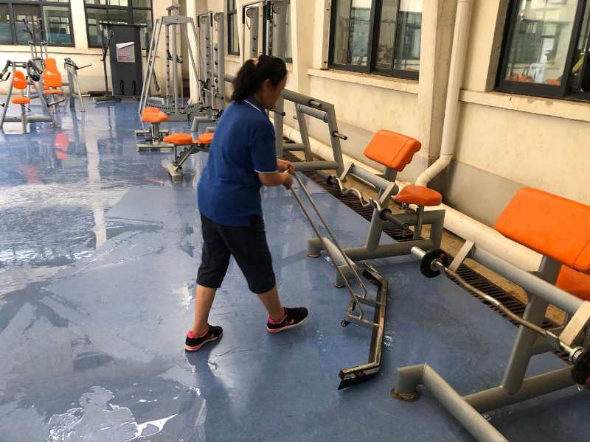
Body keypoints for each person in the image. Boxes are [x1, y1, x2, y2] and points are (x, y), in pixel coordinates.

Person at [185, 55, 309, 353]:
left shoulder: (235, 109)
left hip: (210, 200)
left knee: (212, 265)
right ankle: (278, 319)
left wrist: (273, 162)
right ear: (267, 85)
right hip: (236, 210)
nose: (279, 96)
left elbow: (239, 153)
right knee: (258, 266)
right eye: (280, 89)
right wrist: (283, 178)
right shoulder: (259, 122)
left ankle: (198, 332)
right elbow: (266, 178)